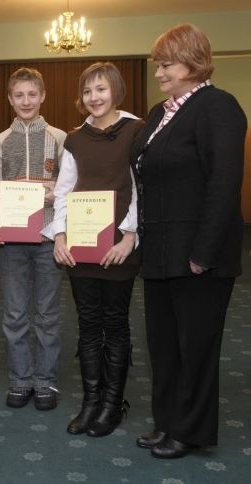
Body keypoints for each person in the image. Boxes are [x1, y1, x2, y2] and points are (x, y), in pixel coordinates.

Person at [131, 24, 247, 458]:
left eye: (166, 64)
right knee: (162, 346)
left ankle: (190, 430)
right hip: (159, 252)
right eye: (157, 64)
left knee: (194, 348)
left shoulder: (219, 107)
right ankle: (166, 424)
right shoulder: (161, 112)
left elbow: (223, 184)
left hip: (200, 255)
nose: (159, 72)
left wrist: (204, 252)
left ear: (193, 62)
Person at [47, 62, 143, 436]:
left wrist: (129, 236)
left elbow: (140, 189)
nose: (94, 98)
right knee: (88, 325)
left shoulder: (137, 131)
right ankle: (91, 402)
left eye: (100, 89)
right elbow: (65, 191)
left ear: (115, 90)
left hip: (119, 246)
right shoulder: (74, 138)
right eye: (87, 91)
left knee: (115, 325)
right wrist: (59, 236)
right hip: (81, 248)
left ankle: (112, 404)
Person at [0, 67, 66, 411]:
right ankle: (20, 379)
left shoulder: (60, 138)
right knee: (15, 314)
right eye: (19, 95)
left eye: (32, 94)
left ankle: (45, 381)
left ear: (43, 96)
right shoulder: (1, 141)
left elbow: (69, 186)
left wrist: (53, 198)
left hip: (49, 238)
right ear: (10, 99)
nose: (26, 101)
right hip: (13, 241)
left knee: (47, 314)